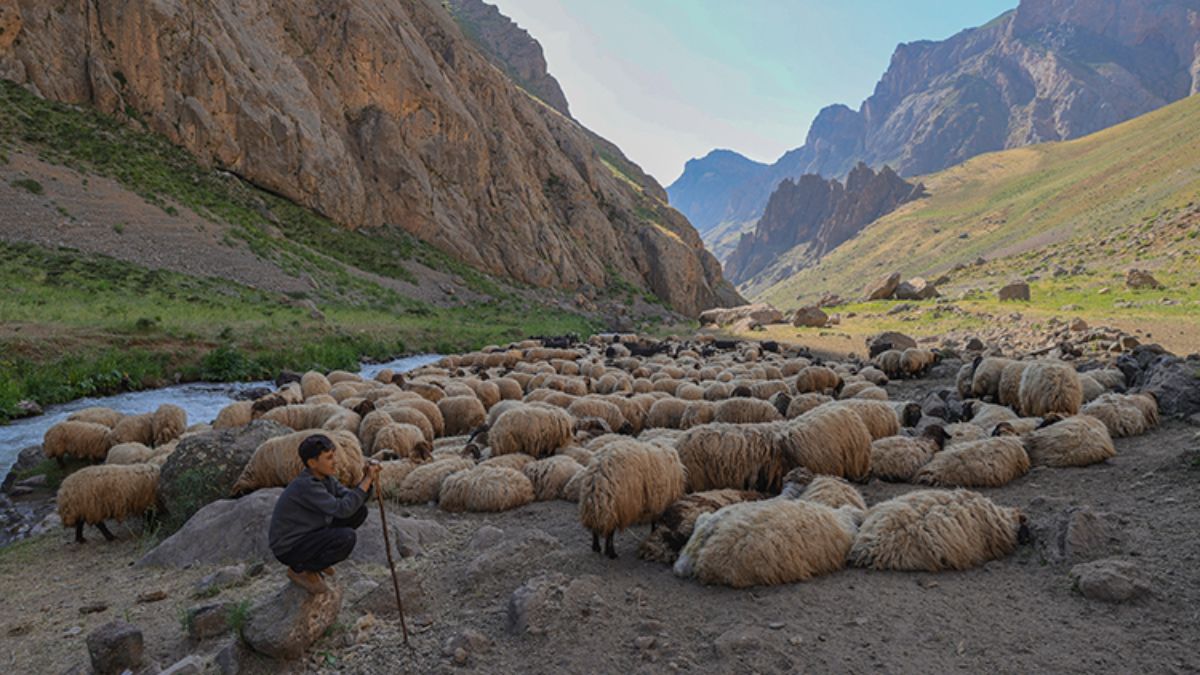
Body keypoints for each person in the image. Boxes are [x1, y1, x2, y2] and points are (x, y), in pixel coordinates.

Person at [268, 434, 382, 594]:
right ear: (312, 463)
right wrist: (367, 480)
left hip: (310, 532)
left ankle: (315, 561)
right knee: (346, 538)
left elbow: (350, 499)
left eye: (333, 456)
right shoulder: (307, 486)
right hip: (290, 547)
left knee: (359, 511)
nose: (335, 461)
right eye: (329, 458)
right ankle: (301, 570)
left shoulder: (326, 479)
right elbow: (342, 509)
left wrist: (366, 480)